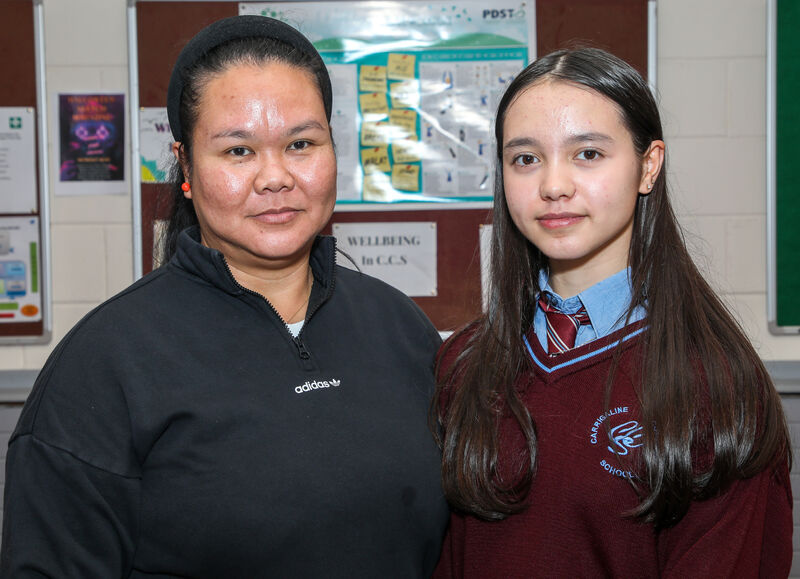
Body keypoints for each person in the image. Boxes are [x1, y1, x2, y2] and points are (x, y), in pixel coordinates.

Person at [1, 16, 448, 577]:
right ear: (186, 165)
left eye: (302, 144)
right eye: (238, 151)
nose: (275, 176)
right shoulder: (104, 366)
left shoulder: (398, 328)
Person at [431, 47, 792, 577]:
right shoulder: (463, 362)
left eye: (589, 154)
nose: (554, 186)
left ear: (648, 166)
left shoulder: (716, 385)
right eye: (525, 159)